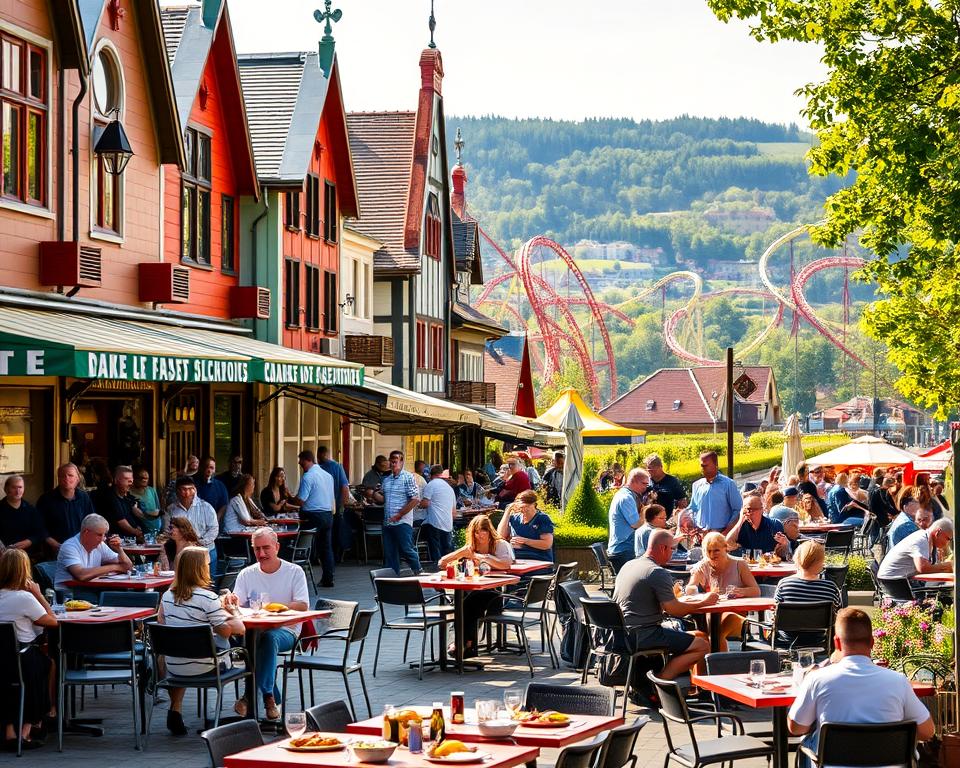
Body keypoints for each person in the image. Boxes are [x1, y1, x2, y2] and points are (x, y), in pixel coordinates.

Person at [787, 607, 935, 757]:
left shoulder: (817, 679)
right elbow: (927, 732)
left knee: (807, 741)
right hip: (890, 764)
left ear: (837, 643)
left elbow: (796, 727)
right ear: (872, 642)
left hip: (834, 764)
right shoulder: (898, 681)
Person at [157, 546, 245, 735]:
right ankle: (248, 711)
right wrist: (232, 610)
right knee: (247, 659)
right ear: (199, 569)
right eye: (206, 564)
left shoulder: (166, 596)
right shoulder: (208, 598)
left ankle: (175, 709)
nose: (208, 567)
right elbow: (233, 631)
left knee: (183, 646)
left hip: (174, 666)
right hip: (206, 667)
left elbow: (162, 625)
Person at [226, 528, 308, 720]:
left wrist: (275, 608)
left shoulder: (294, 572)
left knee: (268, 639)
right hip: (253, 631)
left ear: (277, 547)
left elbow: (302, 605)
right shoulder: (246, 574)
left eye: (266, 548)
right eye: (256, 549)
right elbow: (238, 604)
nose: (261, 554)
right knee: (254, 642)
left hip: (287, 630)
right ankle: (270, 696)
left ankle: (250, 696)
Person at [614, 528, 714, 680]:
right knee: (702, 646)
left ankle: (693, 685)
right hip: (644, 634)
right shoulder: (656, 572)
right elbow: (674, 610)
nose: (673, 553)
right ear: (663, 548)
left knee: (698, 636)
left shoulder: (629, 565)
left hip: (621, 634)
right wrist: (703, 602)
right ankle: (660, 683)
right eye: (673, 549)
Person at [0, 549, 57, 749]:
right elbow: (52, 621)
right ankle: (29, 728)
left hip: (3, 659)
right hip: (21, 656)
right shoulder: (24, 598)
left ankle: (8, 731)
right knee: (47, 664)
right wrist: (39, 595)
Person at [439, 515, 513, 657]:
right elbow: (441, 562)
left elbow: (506, 564)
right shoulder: (472, 547)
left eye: (482, 532)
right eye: (476, 532)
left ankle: (461, 643)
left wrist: (485, 558)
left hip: (494, 593)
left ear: (489, 531)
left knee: (465, 604)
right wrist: (459, 554)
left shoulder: (499, 545)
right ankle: (466, 643)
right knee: (462, 602)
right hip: (474, 589)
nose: (479, 536)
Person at [688, 531, 760, 651]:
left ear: (725, 548)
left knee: (717, 633)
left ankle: (718, 664)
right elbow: (689, 590)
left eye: (716, 550)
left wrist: (740, 591)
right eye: (708, 551)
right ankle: (715, 664)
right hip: (712, 613)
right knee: (703, 637)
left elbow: (756, 591)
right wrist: (696, 586)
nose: (712, 555)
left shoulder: (739, 565)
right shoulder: (703, 566)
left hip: (735, 613)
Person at [773, 541, 843, 648]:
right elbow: (838, 616)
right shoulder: (830, 587)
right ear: (820, 562)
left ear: (797, 558)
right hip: (819, 640)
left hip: (787, 641)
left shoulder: (784, 584)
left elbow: (775, 613)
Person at [286, 450, 335, 587]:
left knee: (302, 545)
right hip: (327, 513)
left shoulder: (308, 477)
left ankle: (298, 578)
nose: (299, 463)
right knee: (326, 548)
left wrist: (289, 496)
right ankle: (328, 578)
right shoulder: (327, 475)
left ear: (307, 460)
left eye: (300, 460)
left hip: (312, 515)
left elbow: (301, 501)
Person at [54, 513, 132, 589]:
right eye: (99, 535)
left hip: (89, 590)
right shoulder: (69, 546)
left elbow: (128, 566)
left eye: (104, 535)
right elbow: (81, 575)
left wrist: (119, 549)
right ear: (86, 532)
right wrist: (115, 567)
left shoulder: (100, 544)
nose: (103, 539)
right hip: (69, 594)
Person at [37, 463, 96, 554]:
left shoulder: (84, 497)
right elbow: (39, 527)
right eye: (62, 476)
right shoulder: (46, 499)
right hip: (54, 551)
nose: (66, 478)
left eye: (70, 475)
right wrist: (55, 545)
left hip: (81, 548)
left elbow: (91, 521)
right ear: (58, 479)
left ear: (77, 479)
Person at [380, 450, 422, 574]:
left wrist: (399, 514)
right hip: (388, 522)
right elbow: (383, 499)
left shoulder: (408, 477)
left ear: (402, 461)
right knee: (390, 552)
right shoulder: (386, 480)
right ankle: (392, 577)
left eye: (395, 461)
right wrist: (373, 495)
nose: (393, 464)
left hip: (402, 522)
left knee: (406, 549)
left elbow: (415, 499)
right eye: (391, 461)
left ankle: (418, 571)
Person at [877, 518, 954, 581]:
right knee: (942, 587)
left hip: (894, 579)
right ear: (938, 532)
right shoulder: (922, 540)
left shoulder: (926, 537)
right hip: (893, 582)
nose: (948, 543)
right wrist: (950, 565)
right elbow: (923, 569)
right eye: (948, 539)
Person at [166, 475, 219, 565]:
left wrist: (199, 543)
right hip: (181, 552)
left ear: (195, 489)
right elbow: (167, 530)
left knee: (207, 579)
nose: (187, 493)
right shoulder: (171, 509)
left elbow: (214, 529)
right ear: (177, 491)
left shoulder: (206, 507)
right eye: (183, 489)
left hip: (205, 551)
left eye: (190, 489)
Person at [687, 451, 742, 533]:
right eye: (701, 465)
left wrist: (727, 531)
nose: (703, 468)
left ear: (716, 464)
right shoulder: (697, 485)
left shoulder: (728, 484)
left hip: (721, 533)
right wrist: (692, 524)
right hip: (701, 533)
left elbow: (738, 510)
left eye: (706, 465)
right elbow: (692, 508)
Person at [607, 468, 650, 572]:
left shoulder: (625, 494)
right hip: (624, 550)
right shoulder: (626, 498)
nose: (646, 487)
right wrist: (647, 510)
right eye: (644, 483)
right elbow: (636, 524)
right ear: (634, 481)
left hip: (623, 548)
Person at [497, 489, 555, 562]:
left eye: (526, 507)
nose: (523, 510)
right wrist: (507, 512)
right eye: (521, 507)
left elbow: (547, 544)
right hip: (517, 559)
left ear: (534, 504)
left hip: (538, 560)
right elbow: (500, 536)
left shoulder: (542, 518)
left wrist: (524, 541)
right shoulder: (514, 519)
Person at [725, 492, 788, 557]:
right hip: (746, 565)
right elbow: (727, 544)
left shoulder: (774, 525)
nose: (747, 513)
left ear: (761, 510)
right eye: (744, 510)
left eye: (750, 509)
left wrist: (784, 544)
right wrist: (740, 521)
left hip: (767, 565)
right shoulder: (739, 526)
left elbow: (782, 555)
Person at [0, 475, 45, 559]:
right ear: (6, 489)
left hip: (26, 557)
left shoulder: (30, 509)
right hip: (3, 557)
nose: (17, 491)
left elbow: (40, 532)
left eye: (20, 487)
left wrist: (30, 541)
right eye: (14, 487)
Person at [96, 465, 145, 542]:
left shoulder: (126, 498)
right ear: (116, 480)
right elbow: (121, 522)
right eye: (126, 479)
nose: (130, 483)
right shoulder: (110, 497)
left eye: (131, 480)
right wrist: (136, 532)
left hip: (130, 542)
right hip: (116, 543)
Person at [419, 465, 456, 563]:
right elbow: (454, 513)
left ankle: (436, 569)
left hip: (434, 523)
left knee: (436, 552)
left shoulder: (431, 484)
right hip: (448, 524)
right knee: (447, 553)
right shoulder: (449, 488)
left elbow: (425, 503)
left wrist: (418, 504)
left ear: (431, 475)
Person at [130, 465, 162, 536]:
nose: (144, 480)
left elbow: (158, 508)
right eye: (141, 478)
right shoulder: (129, 492)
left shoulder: (151, 490)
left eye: (146, 478)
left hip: (155, 529)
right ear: (134, 478)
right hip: (139, 531)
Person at [195, 457, 229, 522]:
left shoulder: (220, 485)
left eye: (212, 468)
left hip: (215, 521)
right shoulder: (194, 484)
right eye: (207, 467)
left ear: (214, 470)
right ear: (201, 468)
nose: (209, 470)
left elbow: (224, 505)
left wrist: (216, 519)